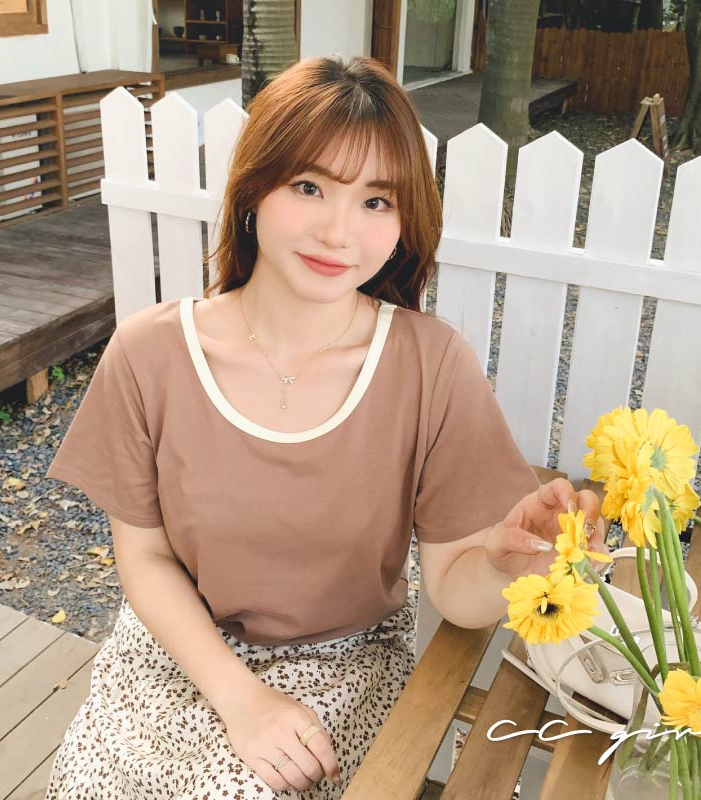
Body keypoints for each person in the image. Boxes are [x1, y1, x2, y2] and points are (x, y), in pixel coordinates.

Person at [43, 55, 609, 799]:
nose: (339, 232)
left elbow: (453, 591)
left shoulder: (430, 364)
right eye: (309, 187)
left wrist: (505, 566)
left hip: (345, 662)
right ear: (254, 189)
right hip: (178, 653)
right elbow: (145, 558)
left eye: (376, 201)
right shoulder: (149, 354)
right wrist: (241, 700)